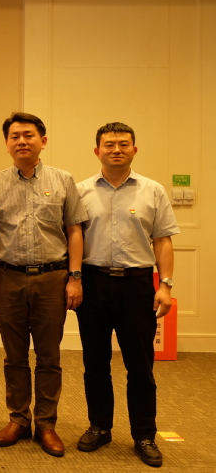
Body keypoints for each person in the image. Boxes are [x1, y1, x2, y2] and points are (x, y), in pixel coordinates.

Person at [0, 112, 87, 457]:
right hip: (7, 277)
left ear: (43, 141)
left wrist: (75, 278)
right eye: (15, 136)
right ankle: (18, 419)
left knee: (48, 355)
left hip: (52, 278)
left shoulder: (63, 180)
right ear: (6, 144)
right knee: (14, 355)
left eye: (28, 135)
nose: (21, 141)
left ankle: (46, 424)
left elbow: (74, 230)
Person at [75, 122, 178, 468]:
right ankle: (100, 427)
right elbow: (72, 239)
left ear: (134, 149)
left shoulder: (153, 190)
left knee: (140, 365)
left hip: (137, 285)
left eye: (123, 144)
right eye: (109, 144)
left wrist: (166, 285)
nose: (116, 149)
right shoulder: (81, 191)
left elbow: (162, 240)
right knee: (95, 363)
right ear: (97, 151)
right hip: (93, 283)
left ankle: (144, 435)